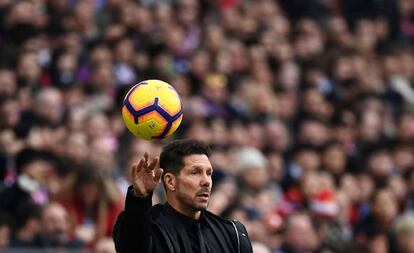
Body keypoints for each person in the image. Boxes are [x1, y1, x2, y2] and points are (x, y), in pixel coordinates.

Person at [113, 139, 253, 253]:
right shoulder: (149, 228)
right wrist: (139, 198)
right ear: (170, 181)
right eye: (195, 172)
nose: (206, 182)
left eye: (208, 173)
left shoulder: (232, 233)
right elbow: (131, 247)